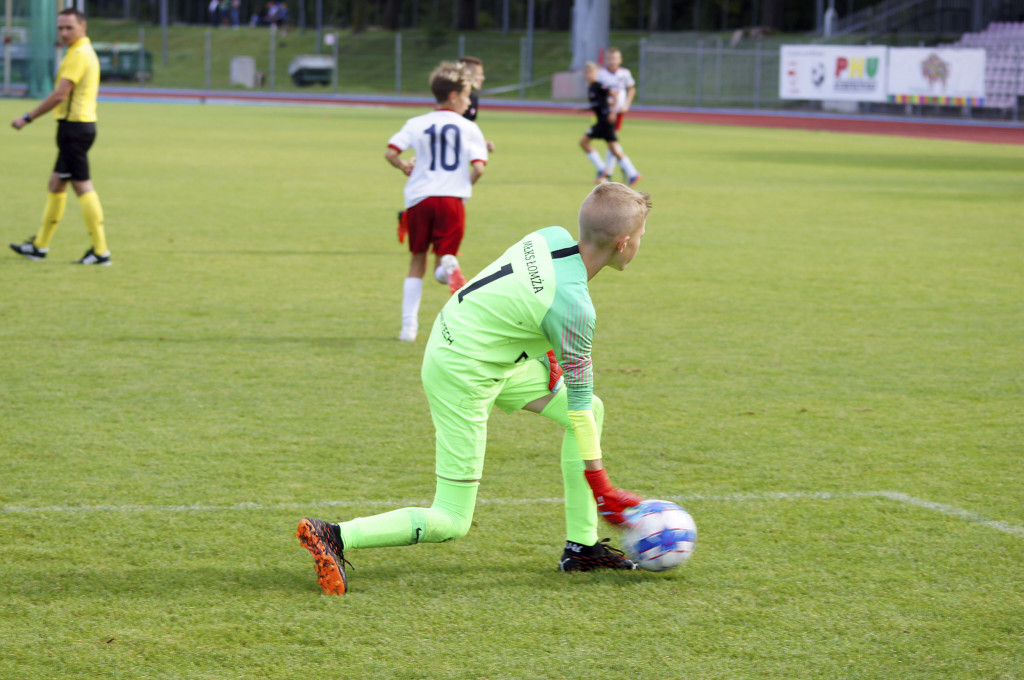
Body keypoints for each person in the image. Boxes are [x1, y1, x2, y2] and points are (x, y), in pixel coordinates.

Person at [297, 182, 652, 594]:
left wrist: (549, 358)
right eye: (642, 236)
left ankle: (582, 548)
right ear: (623, 243)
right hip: (463, 373)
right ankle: (333, 534)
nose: (642, 243)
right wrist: (603, 486)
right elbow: (573, 392)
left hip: (471, 346)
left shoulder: (550, 236)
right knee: (451, 519)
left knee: (595, 406)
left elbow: (516, 300)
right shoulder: (574, 306)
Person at [387, 61, 488, 343]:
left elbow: (391, 152)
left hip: (419, 198)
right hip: (452, 200)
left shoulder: (416, 123)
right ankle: (448, 266)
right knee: (443, 263)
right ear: (454, 96)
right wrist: (464, 186)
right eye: (467, 96)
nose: (469, 103)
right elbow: (479, 167)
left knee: (416, 259)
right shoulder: (468, 127)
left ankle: (408, 328)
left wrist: (404, 166)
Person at [9, 8, 110, 266]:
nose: (64, 33)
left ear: (83, 26)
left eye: (69, 28)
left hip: (74, 129)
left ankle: (101, 252)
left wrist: (27, 117)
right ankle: (39, 247)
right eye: (61, 28)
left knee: (82, 186)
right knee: (57, 184)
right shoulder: (80, 51)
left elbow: (59, 95)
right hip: (76, 128)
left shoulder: (78, 54)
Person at [580, 62, 641, 187]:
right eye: (586, 72)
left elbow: (615, 95)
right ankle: (633, 173)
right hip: (603, 121)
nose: (588, 75)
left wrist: (613, 112)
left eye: (591, 72)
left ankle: (603, 169)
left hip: (604, 122)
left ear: (596, 74)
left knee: (584, 142)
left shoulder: (599, 86)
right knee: (613, 148)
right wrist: (584, 109)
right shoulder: (592, 87)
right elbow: (598, 104)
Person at [597, 47, 637, 182]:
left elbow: (631, 89)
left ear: (620, 60)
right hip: (605, 112)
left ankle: (609, 173)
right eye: (610, 59)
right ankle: (622, 168)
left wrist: (626, 105)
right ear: (606, 60)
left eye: (615, 59)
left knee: (611, 141)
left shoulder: (624, 73)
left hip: (618, 112)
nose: (612, 62)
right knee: (611, 142)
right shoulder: (601, 74)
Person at [457, 55, 496, 152]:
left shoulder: (473, 97)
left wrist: (482, 142)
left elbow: (470, 127)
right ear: (468, 74)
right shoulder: (454, 98)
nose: (483, 78)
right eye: (479, 74)